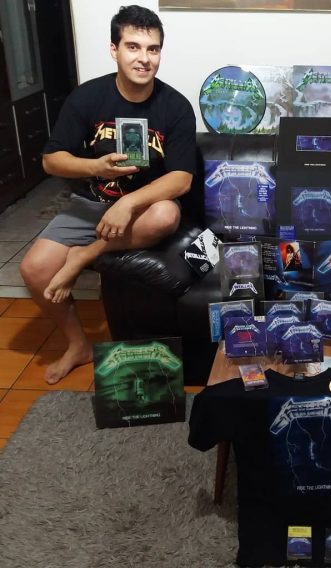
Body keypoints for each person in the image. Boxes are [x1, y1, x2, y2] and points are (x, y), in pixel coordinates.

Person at [19, 5, 196, 385]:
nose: (144, 58)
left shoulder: (176, 106)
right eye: (133, 47)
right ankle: (77, 345)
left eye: (152, 49)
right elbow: (51, 160)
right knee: (34, 269)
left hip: (145, 209)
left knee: (166, 214)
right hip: (92, 203)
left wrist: (129, 203)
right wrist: (95, 167)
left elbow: (181, 179)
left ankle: (87, 255)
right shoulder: (88, 97)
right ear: (114, 49)